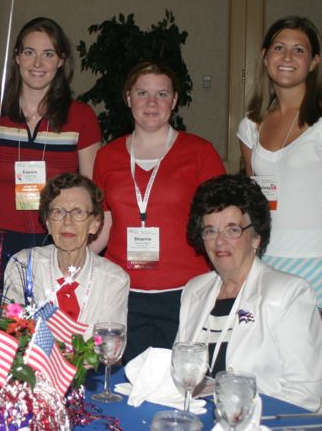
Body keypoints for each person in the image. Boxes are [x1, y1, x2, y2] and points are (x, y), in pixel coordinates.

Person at [92, 61, 225, 361]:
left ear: (174, 100)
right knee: (121, 382)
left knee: (177, 385)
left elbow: (219, 224)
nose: (152, 103)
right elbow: (106, 222)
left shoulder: (200, 153)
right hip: (120, 293)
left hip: (184, 294)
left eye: (162, 94)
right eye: (142, 93)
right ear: (128, 98)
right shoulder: (106, 156)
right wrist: (75, 263)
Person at [238, 16, 322, 325]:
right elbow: (255, 208)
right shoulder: (250, 127)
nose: (287, 57)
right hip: (264, 262)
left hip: (317, 263)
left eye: (299, 50)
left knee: (315, 369)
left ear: (313, 62)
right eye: (279, 47)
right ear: (266, 57)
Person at [177, 174, 322, 416]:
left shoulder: (288, 293)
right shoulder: (194, 290)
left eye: (233, 229)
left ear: (256, 237)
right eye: (210, 230)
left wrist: (239, 418)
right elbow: (180, 371)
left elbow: (304, 393)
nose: (219, 241)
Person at [0, 17, 102, 286]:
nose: (38, 63)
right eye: (29, 52)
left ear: (61, 60)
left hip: (57, 241)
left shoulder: (81, 117)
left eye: (48, 54)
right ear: (17, 57)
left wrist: (82, 253)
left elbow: (93, 193)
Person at [3, 173, 128, 336]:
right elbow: (13, 334)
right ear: (48, 222)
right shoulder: (23, 266)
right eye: (59, 212)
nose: (67, 221)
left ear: (95, 224)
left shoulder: (114, 280)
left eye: (78, 212)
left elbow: (108, 347)